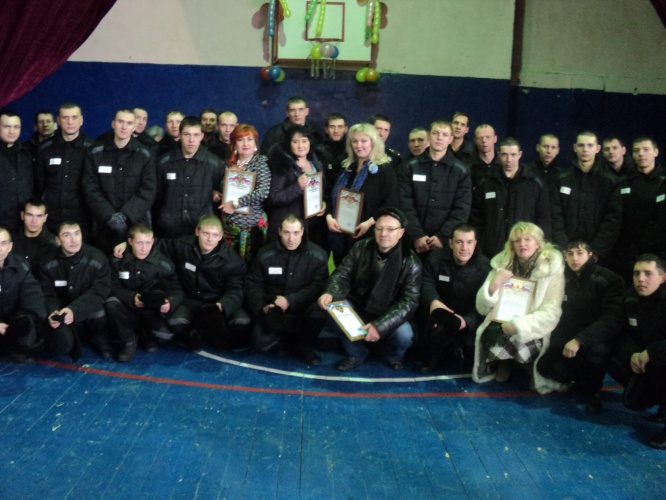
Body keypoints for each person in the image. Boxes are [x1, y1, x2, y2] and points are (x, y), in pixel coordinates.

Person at [318, 207, 421, 371]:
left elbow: (409, 302)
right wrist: (330, 292)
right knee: (331, 309)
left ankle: (392, 355)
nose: (384, 234)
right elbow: (342, 274)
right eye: (379, 228)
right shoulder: (360, 247)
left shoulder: (412, 262)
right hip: (361, 305)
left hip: (390, 312)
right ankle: (357, 352)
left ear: (401, 233)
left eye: (390, 229)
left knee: (405, 335)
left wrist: (380, 326)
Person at [473, 222, 564, 391]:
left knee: (522, 336)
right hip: (502, 319)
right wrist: (494, 284)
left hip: (532, 322)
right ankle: (505, 363)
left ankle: (527, 368)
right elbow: (481, 307)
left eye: (528, 239)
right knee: (494, 331)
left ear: (538, 243)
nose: (522, 244)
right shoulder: (501, 263)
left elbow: (551, 311)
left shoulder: (552, 268)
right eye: (517, 240)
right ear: (512, 244)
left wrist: (518, 326)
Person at [536, 240, 624, 412]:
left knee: (598, 351)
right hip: (568, 335)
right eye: (570, 254)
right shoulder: (561, 277)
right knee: (545, 366)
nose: (575, 258)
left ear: (590, 255)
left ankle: (593, 391)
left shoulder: (609, 279)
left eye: (580, 253)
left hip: (596, 338)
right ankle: (577, 378)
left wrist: (580, 339)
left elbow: (612, 319)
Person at [245, 214, 328, 365]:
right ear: (279, 231)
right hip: (274, 310)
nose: (291, 239)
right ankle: (281, 340)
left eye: (296, 233)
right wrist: (264, 306)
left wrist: (290, 300)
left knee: (319, 309)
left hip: (303, 309)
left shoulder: (319, 255)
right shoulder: (264, 254)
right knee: (260, 343)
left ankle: (305, 345)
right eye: (286, 233)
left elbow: (319, 286)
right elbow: (252, 284)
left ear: (302, 231)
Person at [159, 215, 249, 351]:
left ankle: (213, 333)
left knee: (242, 322)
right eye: (206, 233)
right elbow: (155, 244)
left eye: (214, 235)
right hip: (190, 300)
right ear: (197, 231)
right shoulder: (182, 245)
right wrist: (128, 245)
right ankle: (195, 335)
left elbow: (236, 290)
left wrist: (222, 306)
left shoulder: (233, 261)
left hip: (217, 302)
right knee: (176, 322)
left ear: (220, 236)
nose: (210, 239)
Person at [607, 254, 666, 449]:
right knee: (633, 400)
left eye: (648, 274)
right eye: (636, 273)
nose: (641, 279)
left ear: (663, 278)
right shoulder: (630, 299)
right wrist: (633, 353)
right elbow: (620, 331)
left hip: (657, 356)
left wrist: (650, 352)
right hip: (650, 361)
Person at [105, 224, 184, 361]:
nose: (143, 248)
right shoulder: (117, 261)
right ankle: (129, 341)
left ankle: (144, 335)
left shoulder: (164, 264)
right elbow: (111, 286)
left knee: (164, 337)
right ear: (130, 242)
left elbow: (177, 290)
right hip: (126, 307)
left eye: (147, 243)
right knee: (111, 303)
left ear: (153, 242)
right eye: (139, 243)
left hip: (150, 311)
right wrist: (131, 297)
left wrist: (170, 303)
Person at [418, 223, 490, 373]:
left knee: (470, 349)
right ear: (450, 243)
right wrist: (434, 303)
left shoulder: (485, 267)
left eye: (469, 242)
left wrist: (466, 321)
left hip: (467, 318)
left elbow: (484, 304)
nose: (464, 248)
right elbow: (426, 282)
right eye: (459, 242)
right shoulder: (436, 257)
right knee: (428, 336)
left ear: (475, 244)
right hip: (440, 313)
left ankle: (457, 348)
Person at [82, 108, 156, 253]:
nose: (124, 127)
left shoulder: (145, 154)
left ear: (134, 127)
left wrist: (125, 216)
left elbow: (148, 189)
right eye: (120, 122)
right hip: (102, 224)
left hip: (136, 225)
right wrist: (109, 216)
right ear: (113, 124)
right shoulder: (95, 152)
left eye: (129, 123)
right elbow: (90, 187)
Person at [38, 221, 112, 362]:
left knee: (100, 312)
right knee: (60, 346)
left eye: (77, 233)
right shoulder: (46, 262)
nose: (74, 240)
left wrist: (75, 310)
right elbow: (47, 295)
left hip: (86, 305)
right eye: (67, 235)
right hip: (61, 308)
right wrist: (53, 312)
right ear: (58, 240)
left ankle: (99, 339)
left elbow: (99, 291)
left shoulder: (98, 258)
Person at [326, 123, 400, 265]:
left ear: (373, 142)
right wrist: (329, 217)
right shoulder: (345, 167)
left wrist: (369, 223)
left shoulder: (384, 170)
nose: (359, 145)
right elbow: (330, 195)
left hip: (367, 237)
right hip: (340, 235)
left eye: (364, 141)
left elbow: (391, 204)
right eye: (354, 141)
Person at [398, 120, 472, 258]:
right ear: (428, 136)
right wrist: (417, 235)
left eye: (444, 135)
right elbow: (404, 204)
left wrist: (442, 237)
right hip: (411, 242)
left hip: (444, 244)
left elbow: (462, 208)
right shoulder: (409, 167)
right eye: (435, 133)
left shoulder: (461, 171)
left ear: (450, 139)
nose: (439, 138)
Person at [470, 137, 553, 258]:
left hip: (525, 250)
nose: (509, 160)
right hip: (492, 250)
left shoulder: (535, 183)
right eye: (505, 155)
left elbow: (544, 218)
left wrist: (542, 247)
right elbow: (476, 218)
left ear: (520, 154)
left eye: (513, 155)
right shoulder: (486, 182)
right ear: (499, 155)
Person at [551, 131, 621, 263]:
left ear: (597, 148)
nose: (585, 149)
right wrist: (563, 246)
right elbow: (555, 215)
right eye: (581, 145)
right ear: (575, 148)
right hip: (565, 252)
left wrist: (596, 251)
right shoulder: (561, 179)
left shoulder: (610, 181)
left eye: (590, 145)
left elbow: (612, 219)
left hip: (597, 255)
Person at [154, 116, 224, 238]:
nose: (191, 140)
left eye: (196, 135)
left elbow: (222, 193)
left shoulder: (214, 164)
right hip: (168, 230)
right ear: (180, 135)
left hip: (200, 230)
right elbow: (156, 197)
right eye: (187, 134)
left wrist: (217, 193)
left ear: (202, 136)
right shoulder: (164, 163)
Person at [35, 102, 96, 236]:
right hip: (52, 219)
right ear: (58, 121)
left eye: (74, 117)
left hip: (83, 219)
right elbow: (39, 185)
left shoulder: (93, 149)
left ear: (81, 120)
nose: (70, 122)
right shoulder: (45, 148)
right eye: (65, 117)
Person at [610, 137, 664, 280]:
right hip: (626, 253)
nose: (641, 154)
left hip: (658, 252)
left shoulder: (664, 182)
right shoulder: (623, 183)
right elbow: (616, 217)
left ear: (656, 152)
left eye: (646, 150)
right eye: (637, 151)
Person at [265, 125, 327, 247]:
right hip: (289, 226)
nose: (300, 146)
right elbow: (273, 197)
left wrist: (323, 204)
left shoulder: (316, 164)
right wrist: (297, 188)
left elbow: (322, 192)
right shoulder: (282, 165)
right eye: (295, 142)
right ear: (289, 144)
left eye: (304, 141)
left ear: (310, 142)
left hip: (311, 224)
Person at [218, 124, 271, 262]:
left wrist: (235, 204)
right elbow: (220, 186)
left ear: (255, 143)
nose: (245, 144)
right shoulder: (226, 164)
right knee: (229, 264)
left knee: (251, 265)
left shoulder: (260, 163)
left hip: (252, 227)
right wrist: (216, 193)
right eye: (240, 140)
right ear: (234, 144)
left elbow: (263, 192)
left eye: (249, 139)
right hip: (229, 227)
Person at [0, 227, 47, 364]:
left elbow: (34, 298)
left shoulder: (21, 267)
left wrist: (19, 324)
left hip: (11, 322)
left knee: (30, 329)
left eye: (3, 243)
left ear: (10, 247)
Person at [0, 110, 34, 236]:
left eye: (16, 127)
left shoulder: (27, 153)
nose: (12, 131)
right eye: (7, 126)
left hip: (22, 222)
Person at [12, 198, 57, 274]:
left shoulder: (53, 244)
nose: (34, 221)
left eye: (39, 216)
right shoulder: (10, 240)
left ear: (45, 218)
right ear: (22, 215)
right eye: (30, 215)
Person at [315, 112, 348, 190]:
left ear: (346, 129)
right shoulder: (317, 151)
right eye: (332, 127)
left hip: (346, 194)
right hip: (325, 193)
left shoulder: (352, 149)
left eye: (340, 127)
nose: (336, 130)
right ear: (326, 129)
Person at [470, 124, 501, 190]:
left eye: (488, 137)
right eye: (479, 138)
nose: (484, 141)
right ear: (475, 141)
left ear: (495, 139)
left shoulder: (504, 163)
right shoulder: (468, 166)